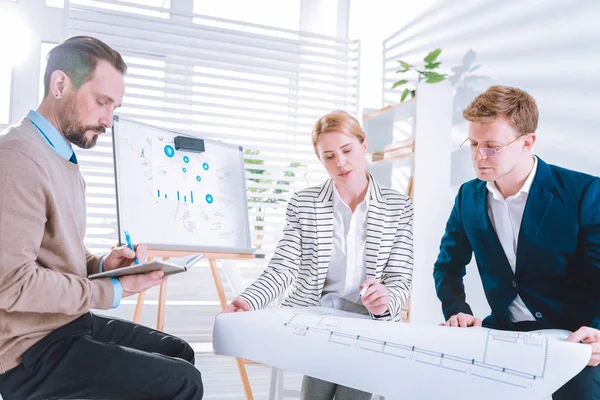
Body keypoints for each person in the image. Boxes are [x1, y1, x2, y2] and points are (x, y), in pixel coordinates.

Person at [0, 36, 203, 400]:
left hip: (64, 324)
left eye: (114, 107)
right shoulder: (17, 159)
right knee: (183, 382)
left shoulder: (60, 158)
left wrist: (102, 265)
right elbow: (11, 284)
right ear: (59, 84)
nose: (109, 120)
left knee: (180, 355)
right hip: (26, 351)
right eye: (101, 102)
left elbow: (50, 258)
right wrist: (109, 290)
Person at [223, 110, 414, 400]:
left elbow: (401, 279)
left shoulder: (398, 207)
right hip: (317, 320)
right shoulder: (304, 203)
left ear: (364, 145)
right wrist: (248, 300)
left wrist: (386, 300)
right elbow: (283, 268)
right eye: (329, 156)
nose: (341, 163)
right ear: (320, 160)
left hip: (370, 326)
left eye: (347, 150)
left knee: (353, 390)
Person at [433, 85, 600, 399]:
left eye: (492, 146)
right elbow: (448, 265)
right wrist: (457, 310)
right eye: (473, 144)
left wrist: (598, 329)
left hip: (575, 339)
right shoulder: (468, 196)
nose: (478, 156)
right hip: (503, 335)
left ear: (527, 142)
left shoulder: (584, 193)